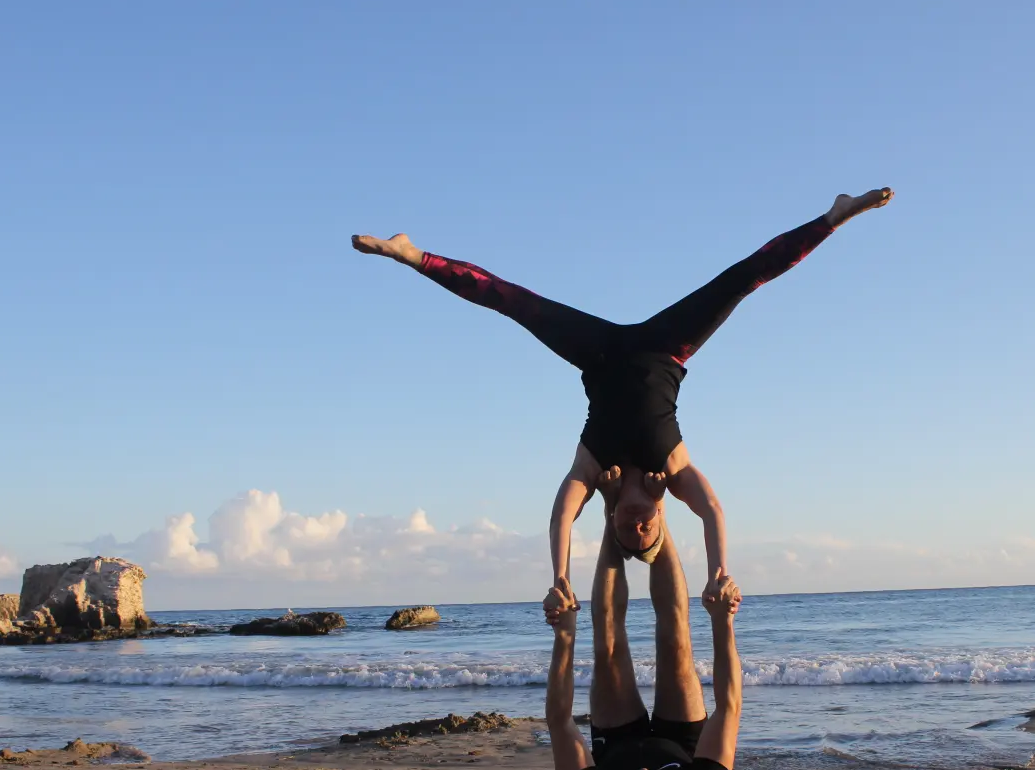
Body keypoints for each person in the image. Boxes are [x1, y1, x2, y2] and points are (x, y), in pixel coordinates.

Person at [351, 189, 893, 611]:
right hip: (667, 349)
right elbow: (712, 513)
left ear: (609, 521)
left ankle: (413, 255)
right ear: (659, 517)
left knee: (514, 303)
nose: (637, 525)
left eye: (627, 532)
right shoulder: (673, 472)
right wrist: (717, 575)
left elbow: (562, 516)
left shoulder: (594, 467)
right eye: (647, 531)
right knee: (742, 280)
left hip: (602, 355)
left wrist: (560, 580)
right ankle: (833, 217)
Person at [541, 514, 743, 770]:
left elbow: (559, 721)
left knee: (608, 643)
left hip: (617, 743)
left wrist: (564, 634)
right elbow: (729, 708)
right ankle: (657, 511)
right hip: (683, 742)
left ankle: (611, 511)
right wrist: (723, 621)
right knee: (675, 638)